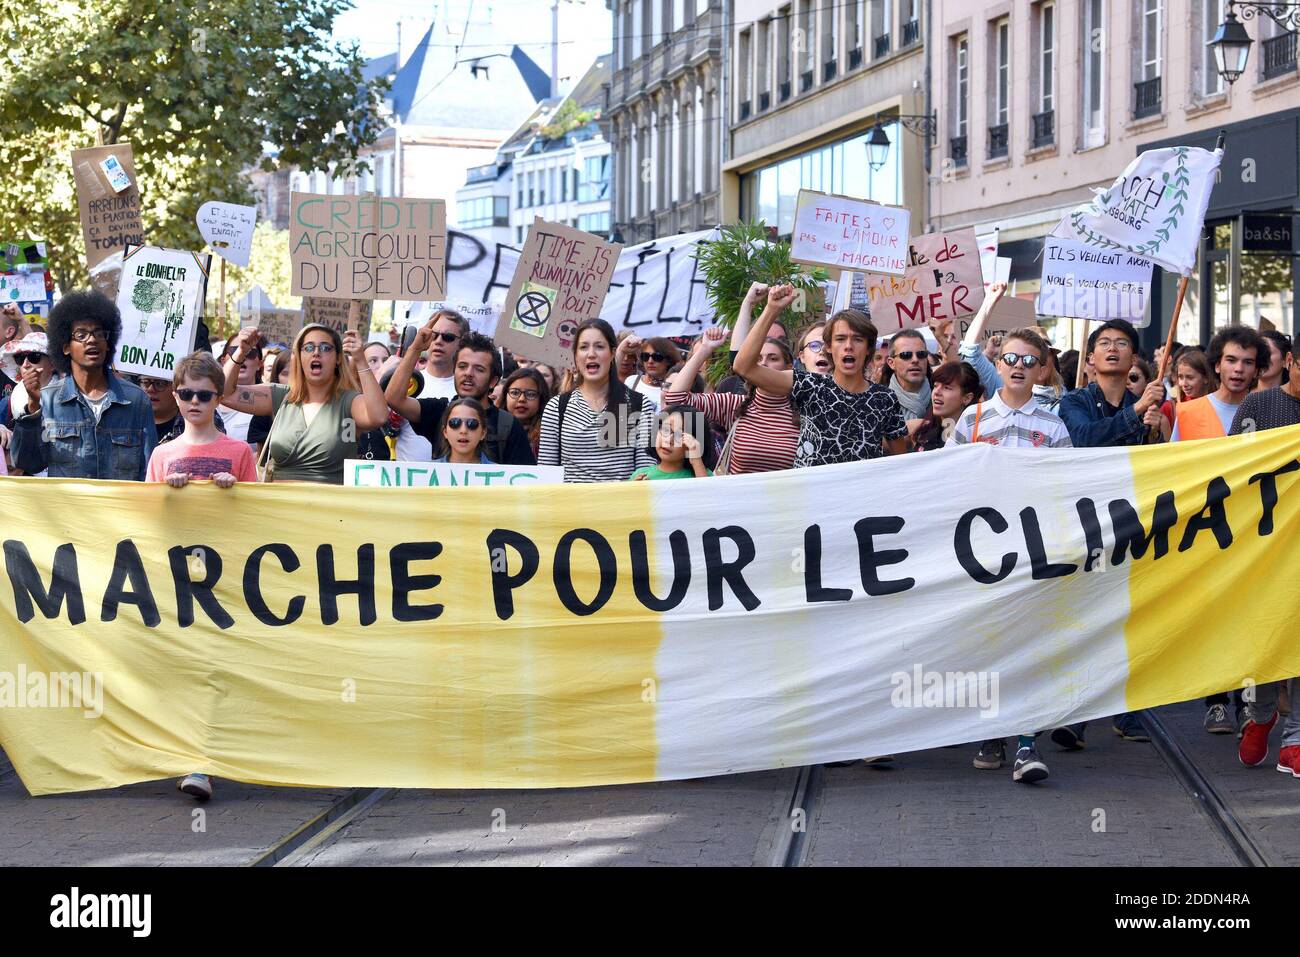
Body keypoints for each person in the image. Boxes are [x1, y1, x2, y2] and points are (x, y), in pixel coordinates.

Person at [948, 324, 1072, 784]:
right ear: (996, 364)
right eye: (1011, 359)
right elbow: (947, 480)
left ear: (1041, 370)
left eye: (1029, 361)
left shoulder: (1054, 426)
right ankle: (991, 730)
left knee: (1027, 641)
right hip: (981, 554)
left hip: (1032, 551)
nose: (1019, 367)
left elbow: (1064, 488)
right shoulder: (972, 420)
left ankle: (1025, 740)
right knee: (987, 641)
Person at [1050, 320, 1167, 750]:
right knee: (1088, 620)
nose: (1113, 350)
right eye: (1104, 344)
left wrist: (1159, 432)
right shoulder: (1075, 402)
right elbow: (1082, 439)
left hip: (1133, 527)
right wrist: (1135, 415)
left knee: (1131, 618)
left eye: (1122, 344)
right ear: (1092, 358)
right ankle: (1079, 710)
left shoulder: (1147, 404)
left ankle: (1128, 710)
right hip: (1086, 528)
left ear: (1134, 358)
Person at [1169, 327, 1268, 736]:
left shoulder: (1271, 411)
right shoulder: (1189, 414)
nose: (1239, 369)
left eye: (1247, 362)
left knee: (1248, 619)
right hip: (1207, 533)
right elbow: (1173, 473)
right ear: (1216, 365)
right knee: (1213, 617)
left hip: (1257, 533)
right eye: (1231, 360)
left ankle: (1247, 701)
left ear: (1258, 368)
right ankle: (1214, 701)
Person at [733, 285, 908, 467]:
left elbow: (900, 463)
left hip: (861, 494)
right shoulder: (809, 385)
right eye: (840, 339)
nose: (848, 346)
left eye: (857, 339)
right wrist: (771, 310)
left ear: (868, 349)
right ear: (829, 348)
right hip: (811, 494)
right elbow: (743, 367)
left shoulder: (885, 398)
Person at [1230, 334, 1300, 776]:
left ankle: (1294, 736)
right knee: (1266, 639)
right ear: (1291, 362)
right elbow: (1231, 471)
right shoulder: (1260, 407)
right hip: (1265, 548)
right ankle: (1259, 715)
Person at [10, 291, 155, 480]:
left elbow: (150, 475)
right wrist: (33, 407)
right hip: (69, 509)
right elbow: (27, 463)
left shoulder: (136, 401)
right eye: (81, 334)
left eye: (99, 333)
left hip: (120, 509)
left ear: (108, 344)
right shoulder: (48, 400)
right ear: (65, 347)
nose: (92, 340)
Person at [220, 323, 387, 484]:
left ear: (337, 358)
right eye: (308, 348)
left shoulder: (349, 402)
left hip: (329, 507)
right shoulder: (280, 396)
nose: (316, 353)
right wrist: (241, 352)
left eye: (325, 348)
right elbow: (225, 394)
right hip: (280, 506)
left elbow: (378, 416)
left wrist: (360, 360)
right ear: (299, 357)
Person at [663, 325, 800, 474]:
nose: (764, 363)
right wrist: (705, 348)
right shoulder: (734, 405)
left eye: (773, 358)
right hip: (738, 496)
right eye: (757, 358)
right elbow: (676, 399)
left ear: (788, 367)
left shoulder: (806, 410)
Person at [386, 329, 535, 465]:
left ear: (493, 381)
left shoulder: (508, 426)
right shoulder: (439, 410)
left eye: (479, 369)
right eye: (462, 366)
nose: (468, 373)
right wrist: (415, 349)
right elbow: (394, 399)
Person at [538, 318, 656, 482]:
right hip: (571, 505)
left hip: (623, 505)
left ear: (613, 353)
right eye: (584, 347)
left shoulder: (641, 405)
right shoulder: (556, 407)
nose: (591, 354)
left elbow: (646, 470)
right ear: (575, 356)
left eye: (599, 347)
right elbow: (546, 474)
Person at [394, 309, 466, 460]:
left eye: (448, 337)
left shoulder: (468, 389)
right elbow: (391, 399)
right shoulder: (407, 382)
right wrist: (416, 347)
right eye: (433, 335)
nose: (438, 341)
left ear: (462, 343)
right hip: (406, 480)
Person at [909, 360, 981, 452]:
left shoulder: (980, 435)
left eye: (947, 387)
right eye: (935, 386)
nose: (937, 392)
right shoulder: (920, 431)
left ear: (967, 398)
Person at [139, 373, 227, 445]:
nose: (151, 389)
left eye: (160, 384)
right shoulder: (130, 418)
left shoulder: (201, 417)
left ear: (176, 391)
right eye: (145, 382)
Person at [216, 338, 272, 450]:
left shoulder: (268, 402)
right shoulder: (200, 399)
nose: (243, 356)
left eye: (250, 352)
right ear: (223, 361)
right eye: (234, 351)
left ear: (260, 364)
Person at [631, 404, 713, 479]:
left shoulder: (703, 474)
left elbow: (707, 493)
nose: (669, 440)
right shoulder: (640, 475)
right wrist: (637, 489)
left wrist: (696, 461)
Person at [497, 367, 550, 460]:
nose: (522, 399)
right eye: (515, 392)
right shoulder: (490, 428)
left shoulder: (549, 435)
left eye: (530, 394)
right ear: (505, 395)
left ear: (541, 399)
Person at [880, 328, 932, 420]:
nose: (915, 360)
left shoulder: (941, 396)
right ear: (891, 363)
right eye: (906, 355)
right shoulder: (877, 403)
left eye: (921, 354)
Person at [617, 335, 681, 407]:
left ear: (669, 360)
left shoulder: (674, 389)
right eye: (646, 356)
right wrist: (620, 350)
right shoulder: (632, 381)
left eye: (657, 357)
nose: (650, 361)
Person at [1160, 347, 1214, 429]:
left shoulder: (1218, 405)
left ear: (1206, 378)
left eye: (1190, 377)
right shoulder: (1170, 408)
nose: (1183, 384)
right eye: (1180, 377)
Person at [432, 397, 494, 464]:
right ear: (445, 432)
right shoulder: (428, 470)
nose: (463, 430)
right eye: (454, 422)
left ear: (483, 433)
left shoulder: (501, 472)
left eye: (472, 423)